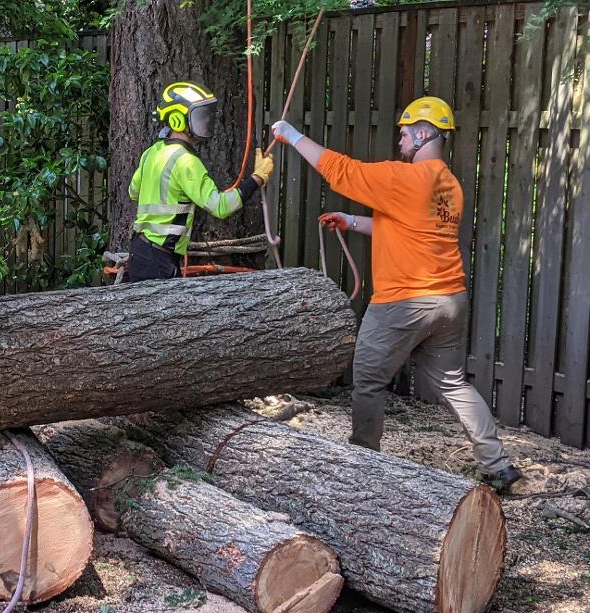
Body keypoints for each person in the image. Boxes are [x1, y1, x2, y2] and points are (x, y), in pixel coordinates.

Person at [272, 96, 521, 491]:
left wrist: (292, 135)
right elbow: (405, 226)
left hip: (404, 302)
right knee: (455, 384)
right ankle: (498, 465)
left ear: (423, 133)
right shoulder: (447, 186)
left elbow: (341, 171)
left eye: (404, 133)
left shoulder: (404, 178)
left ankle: (362, 463)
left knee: (368, 381)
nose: (400, 140)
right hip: (449, 301)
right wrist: (352, 221)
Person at [127, 81, 274, 281]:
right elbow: (220, 207)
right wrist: (257, 178)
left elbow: (133, 192)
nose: (206, 122)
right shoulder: (186, 161)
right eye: (200, 116)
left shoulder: (151, 152)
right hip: (159, 260)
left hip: (140, 251)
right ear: (178, 120)